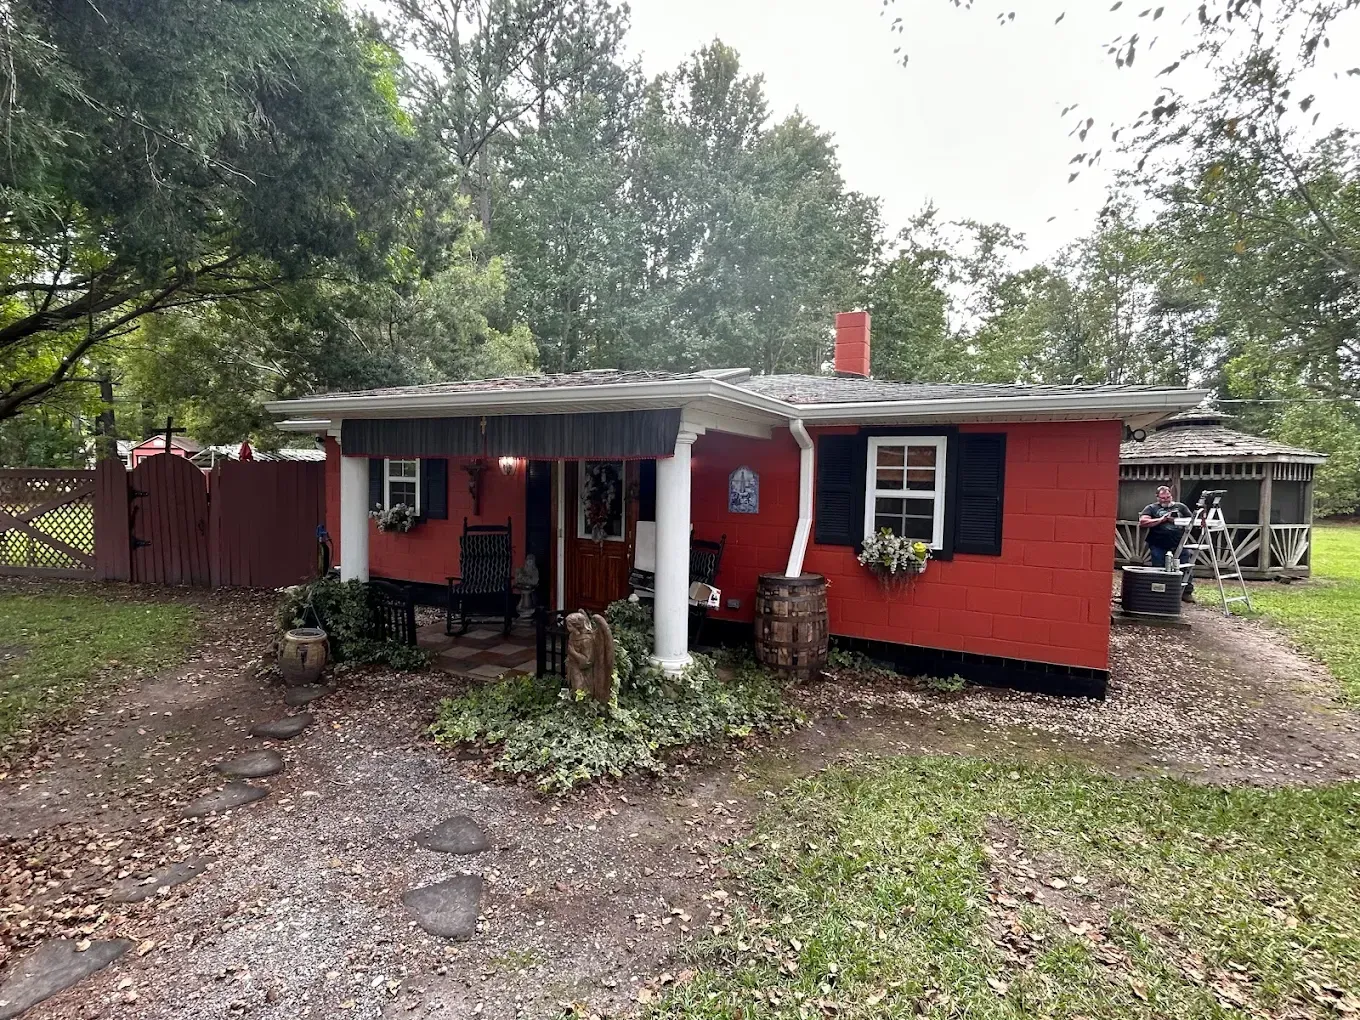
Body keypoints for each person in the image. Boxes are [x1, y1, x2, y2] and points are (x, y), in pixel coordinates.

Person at [1139, 485, 1195, 601]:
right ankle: (1159, 593)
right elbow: (1143, 522)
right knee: (1158, 568)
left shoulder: (1181, 507)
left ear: (1171, 495)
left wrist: (1176, 520)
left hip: (1179, 542)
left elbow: (1192, 521)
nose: (1166, 500)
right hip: (1158, 543)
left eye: (1168, 497)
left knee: (1185, 565)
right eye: (1163, 498)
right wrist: (1161, 520)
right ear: (1157, 498)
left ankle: (1186, 592)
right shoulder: (1151, 508)